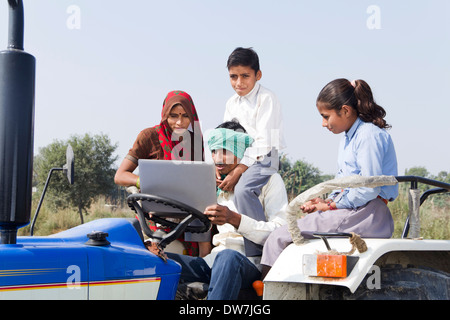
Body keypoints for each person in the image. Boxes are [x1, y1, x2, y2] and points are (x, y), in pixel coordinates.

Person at [260, 78, 399, 275]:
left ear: (345, 110)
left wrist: (332, 206)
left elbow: (368, 188)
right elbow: (343, 182)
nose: (324, 124)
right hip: (353, 210)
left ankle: (263, 294)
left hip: (367, 212)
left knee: (279, 237)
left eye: (326, 116)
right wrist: (326, 201)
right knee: (287, 235)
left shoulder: (368, 136)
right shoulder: (349, 138)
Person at [167, 120, 288, 300]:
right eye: (214, 151)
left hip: (250, 263)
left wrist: (235, 219)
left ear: (241, 151)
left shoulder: (268, 180)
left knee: (228, 257)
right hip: (213, 261)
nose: (217, 158)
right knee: (160, 261)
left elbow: (280, 233)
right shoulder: (212, 182)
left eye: (225, 151)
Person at [114, 90, 210, 257]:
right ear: (165, 114)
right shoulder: (149, 136)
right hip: (155, 217)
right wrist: (144, 182)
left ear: (192, 117)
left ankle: (204, 274)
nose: (179, 122)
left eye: (185, 116)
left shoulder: (197, 143)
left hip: (189, 215)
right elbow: (120, 175)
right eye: (173, 116)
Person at [220, 47, 286, 257]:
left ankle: (258, 252)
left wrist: (238, 170)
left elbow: (264, 141)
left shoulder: (266, 98)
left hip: (266, 157)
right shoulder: (231, 103)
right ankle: (210, 249)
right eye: (233, 76)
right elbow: (226, 137)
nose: (239, 82)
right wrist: (219, 166)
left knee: (243, 190)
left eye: (245, 76)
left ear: (258, 75)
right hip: (240, 159)